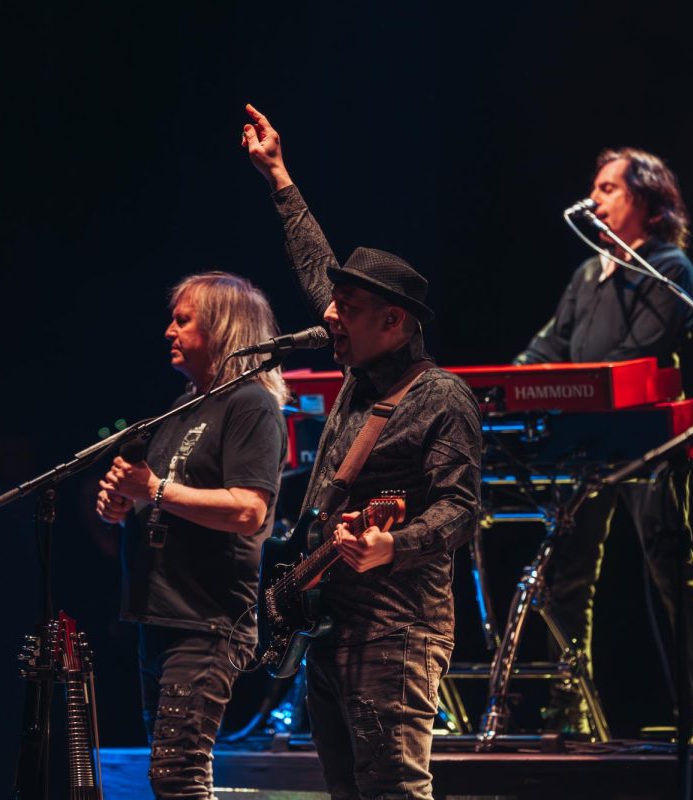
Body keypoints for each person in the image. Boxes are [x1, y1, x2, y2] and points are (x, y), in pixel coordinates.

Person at [243, 103, 482, 800]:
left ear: (393, 321)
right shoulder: (358, 367)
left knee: (395, 792)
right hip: (331, 623)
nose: (330, 316)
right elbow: (317, 267)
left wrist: (393, 546)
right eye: (337, 303)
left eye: (346, 307)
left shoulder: (441, 398)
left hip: (397, 630)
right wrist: (279, 177)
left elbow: (462, 512)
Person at [514, 149, 693, 744]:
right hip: (585, 439)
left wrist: (578, 382)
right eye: (595, 188)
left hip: (646, 439)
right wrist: (510, 381)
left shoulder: (669, 267)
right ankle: (569, 710)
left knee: (671, 568)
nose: (596, 199)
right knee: (569, 575)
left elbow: (639, 350)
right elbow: (550, 346)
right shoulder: (588, 273)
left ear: (647, 202)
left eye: (609, 189)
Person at [96, 271, 289, 799]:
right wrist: (120, 505)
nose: (168, 331)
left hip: (207, 620)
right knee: (169, 773)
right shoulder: (181, 408)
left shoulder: (251, 405)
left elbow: (249, 510)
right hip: (157, 615)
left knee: (178, 775)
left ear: (223, 330)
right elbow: (156, 500)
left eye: (183, 320)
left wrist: (152, 489)